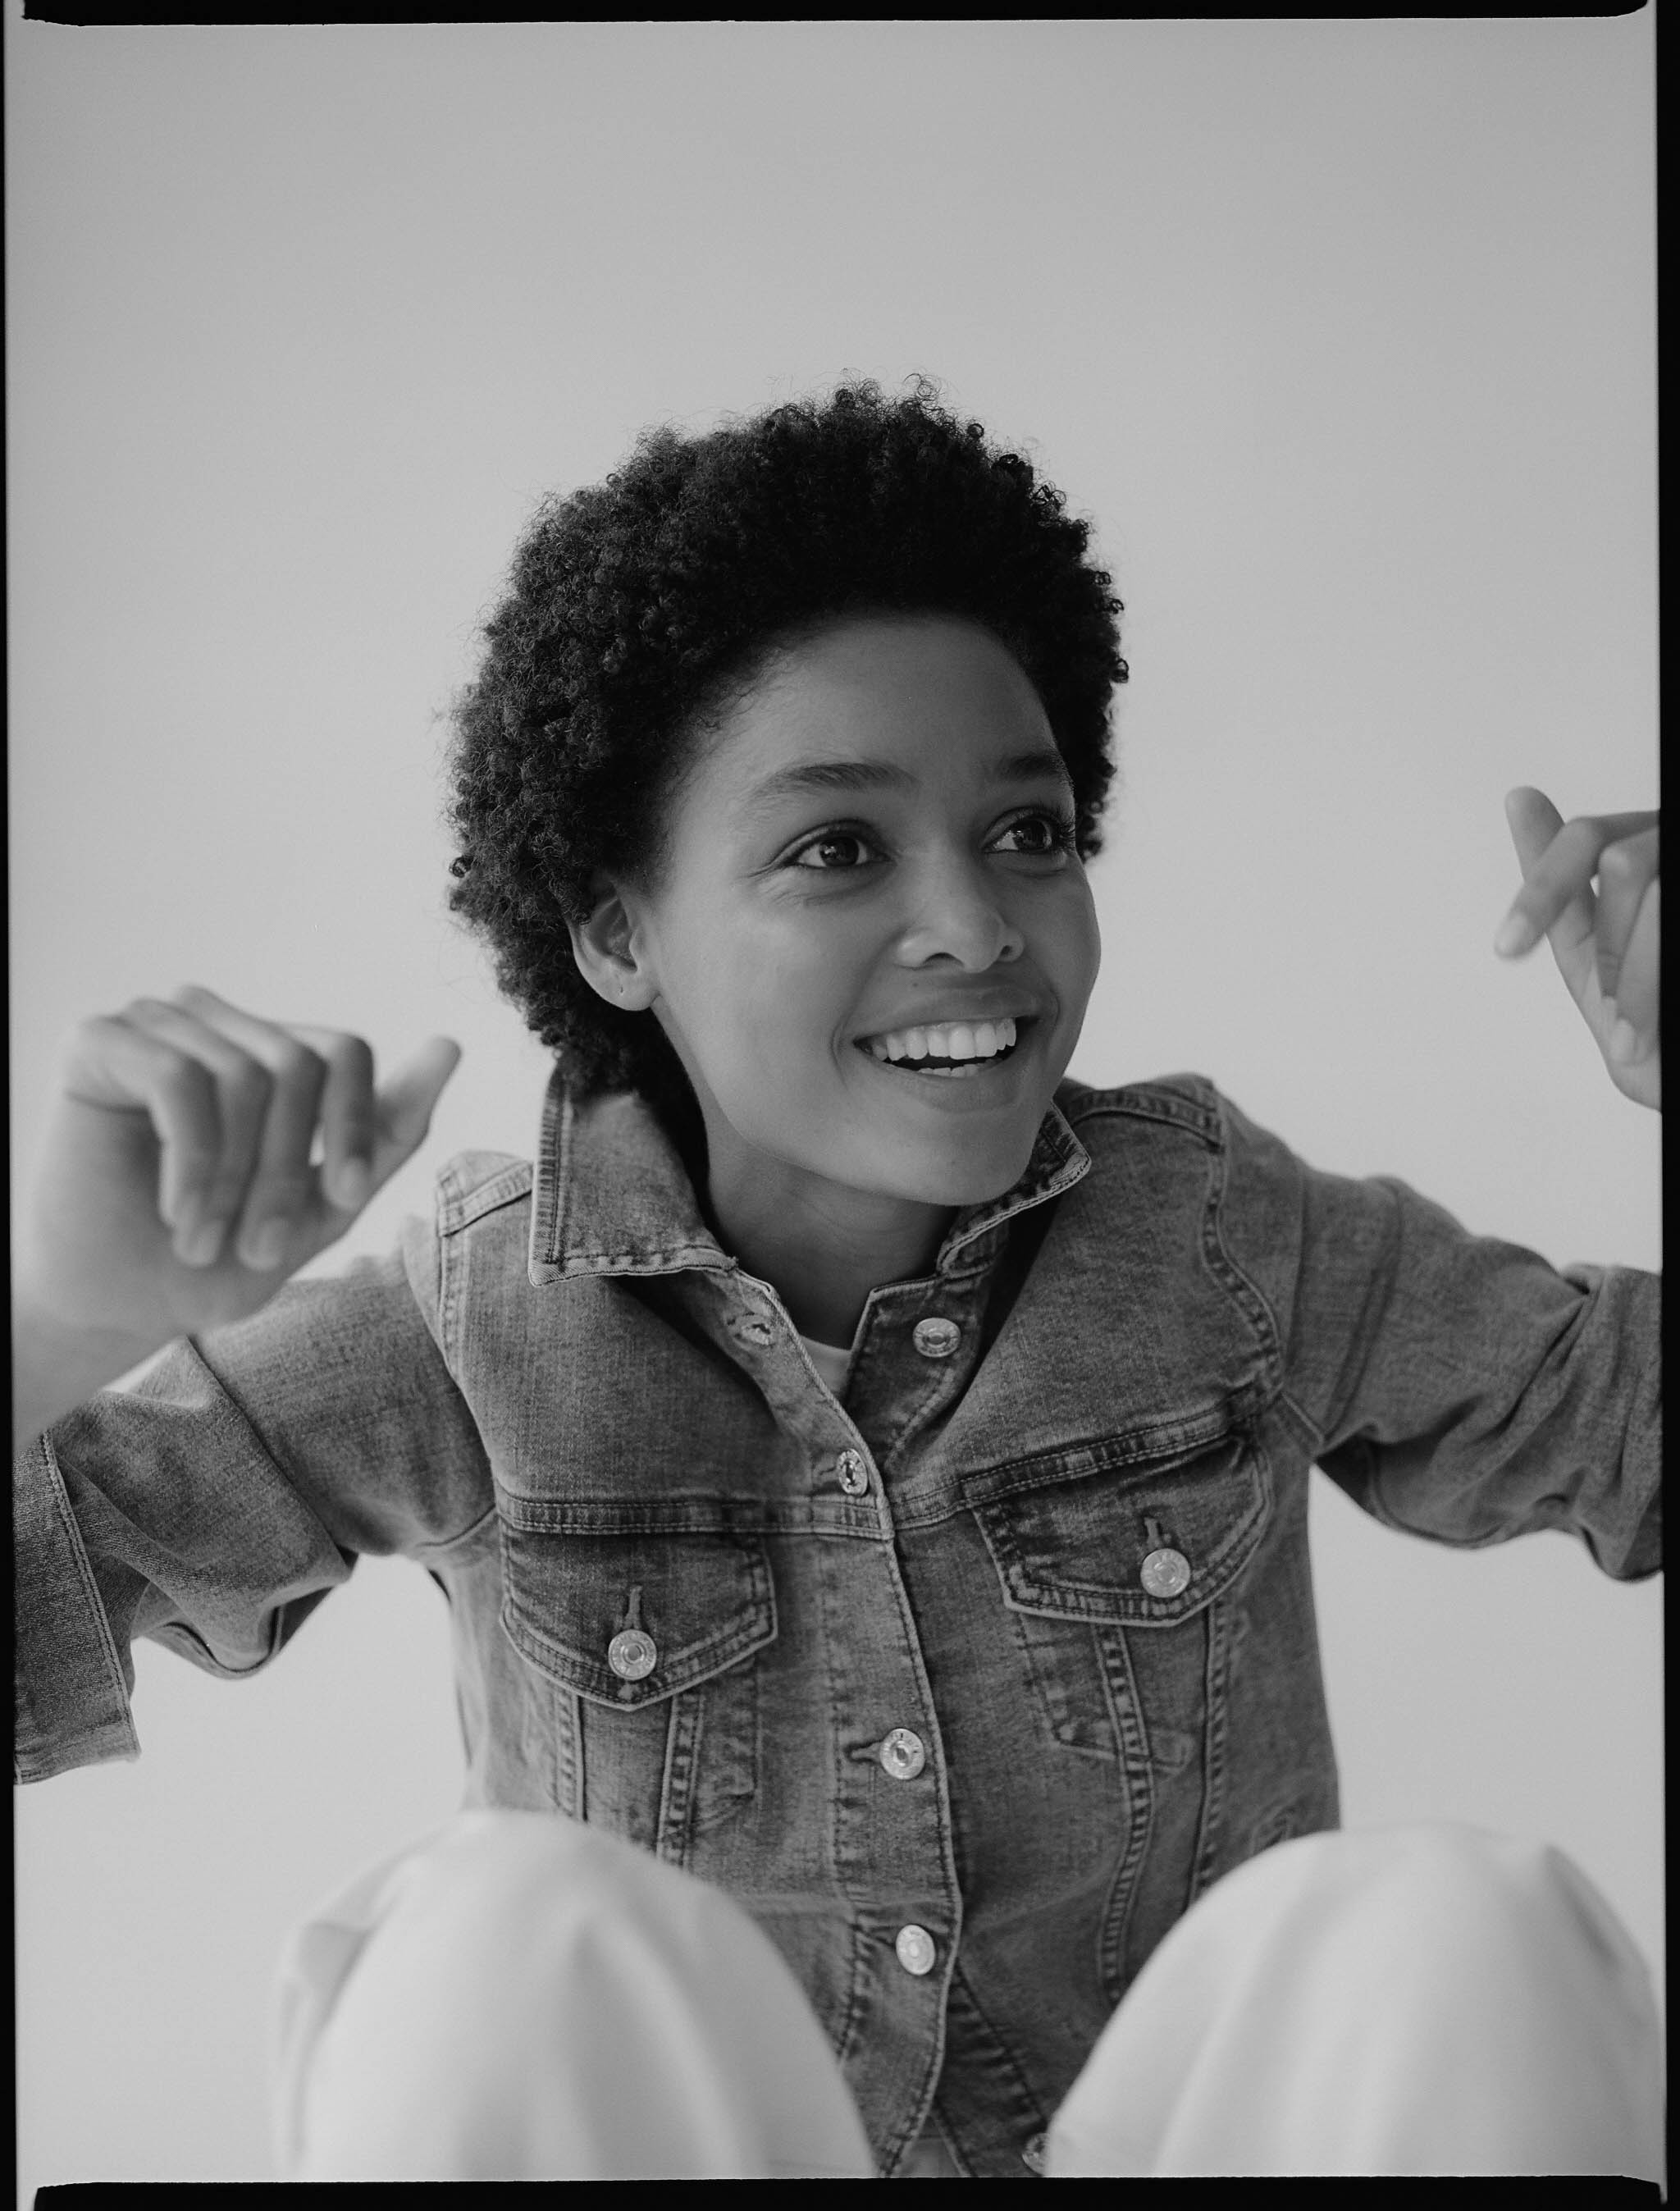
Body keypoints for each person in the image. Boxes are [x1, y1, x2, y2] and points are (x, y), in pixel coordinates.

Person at [11, 381, 1662, 2181]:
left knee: (1455, 1924)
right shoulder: (477, 1329)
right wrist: (62, 1330)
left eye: (1029, 832)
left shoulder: (1221, 1238)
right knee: (492, 1939)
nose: (976, 923)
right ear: (616, 930)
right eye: (836, 848)